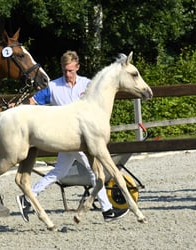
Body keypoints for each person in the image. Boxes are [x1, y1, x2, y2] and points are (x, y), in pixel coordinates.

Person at [16, 50, 129, 222]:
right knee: (94, 172)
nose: (68, 74)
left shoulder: (88, 85)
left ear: (77, 67)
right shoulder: (53, 87)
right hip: (65, 137)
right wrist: (15, 108)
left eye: (71, 70)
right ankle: (107, 211)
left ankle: (28, 197)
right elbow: (32, 102)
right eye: (64, 70)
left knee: (59, 172)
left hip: (84, 136)